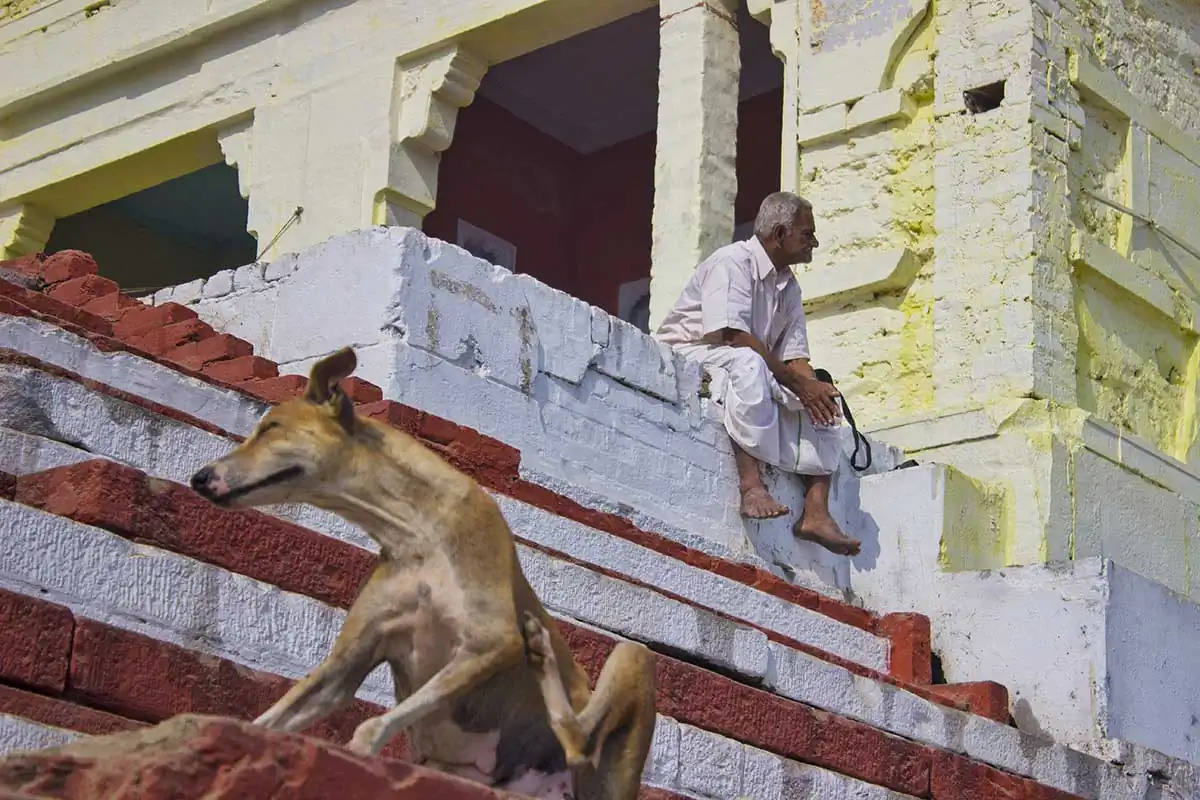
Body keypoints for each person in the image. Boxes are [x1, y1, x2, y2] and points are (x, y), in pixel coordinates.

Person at [653, 192, 861, 557]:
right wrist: (794, 380)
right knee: (749, 364)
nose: (813, 243)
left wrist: (812, 387)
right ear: (780, 233)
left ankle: (815, 512)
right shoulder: (732, 262)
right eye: (807, 234)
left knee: (823, 392)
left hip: (746, 356)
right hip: (691, 350)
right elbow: (732, 335)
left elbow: (794, 357)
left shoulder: (789, 286)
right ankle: (751, 487)